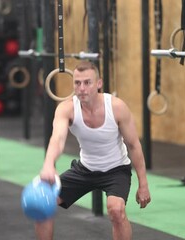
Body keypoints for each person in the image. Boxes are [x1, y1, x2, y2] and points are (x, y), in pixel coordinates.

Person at [35, 61, 151, 240]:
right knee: (42, 203)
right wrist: (48, 164)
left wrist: (143, 184)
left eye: (87, 82)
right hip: (85, 169)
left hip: (116, 170)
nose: (81, 88)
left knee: (116, 210)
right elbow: (57, 139)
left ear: (99, 83)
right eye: (77, 83)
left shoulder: (117, 107)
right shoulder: (66, 109)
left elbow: (134, 145)